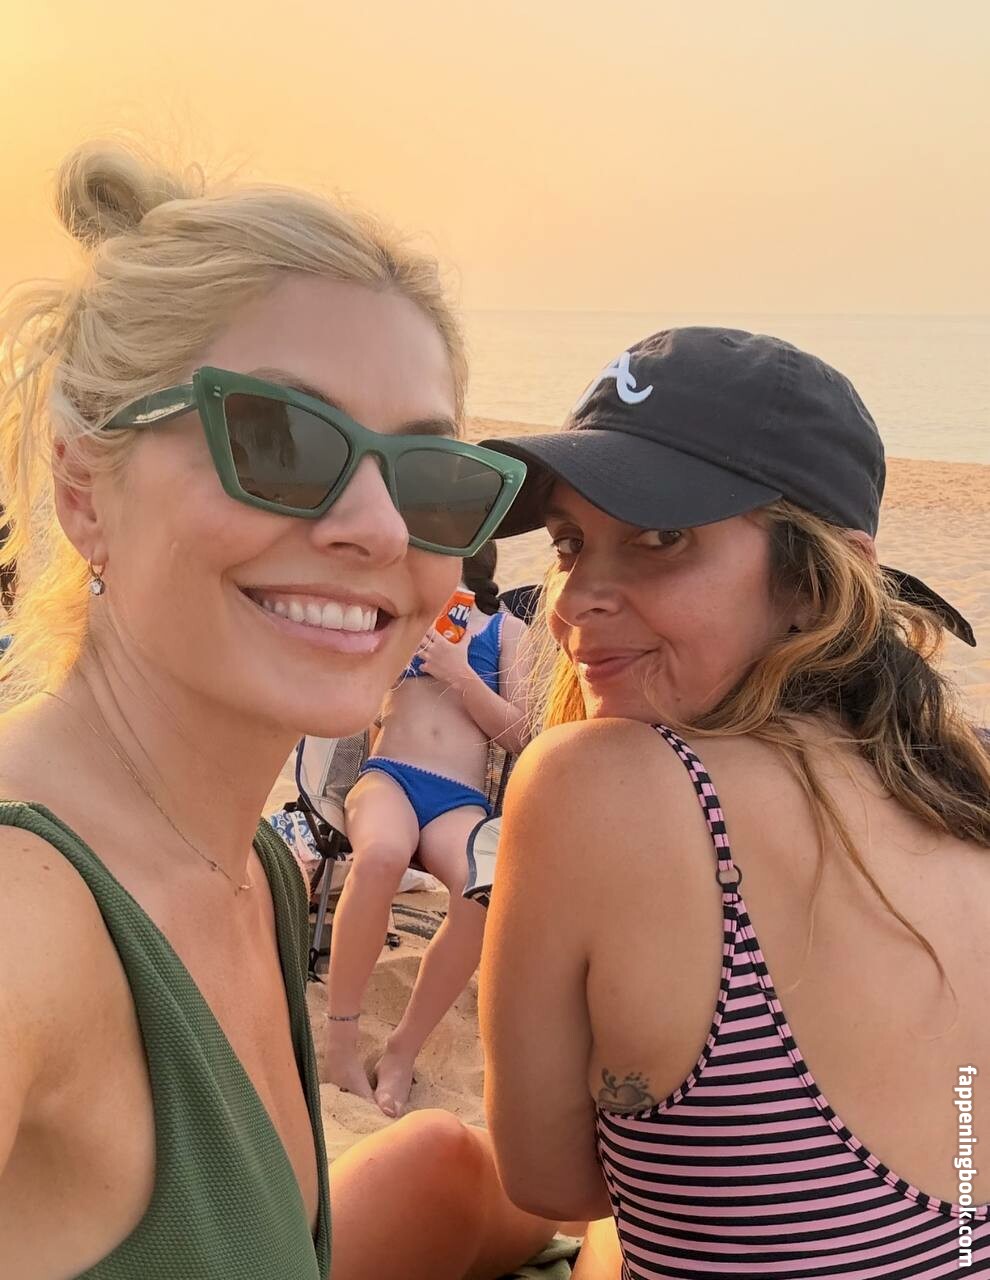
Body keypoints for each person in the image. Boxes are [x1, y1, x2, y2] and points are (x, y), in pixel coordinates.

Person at [0, 142, 552, 1280]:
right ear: (83, 489)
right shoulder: (24, 917)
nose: (382, 529)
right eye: (279, 442)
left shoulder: (253, 870)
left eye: (429, 474)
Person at [478, 328, 990, 1277]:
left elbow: (550, 1180)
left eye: (661, 539)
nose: (575, 601)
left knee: (429, 1176)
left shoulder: (603, 784)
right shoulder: (962, 796)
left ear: (815, 584)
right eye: (570, 543)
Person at [327, 538, 530, 1116]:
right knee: (381, 856)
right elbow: (346, 702)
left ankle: (403, 1049)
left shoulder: (505, 632)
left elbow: (522, 735)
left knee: (481, 889)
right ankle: (341, 1042)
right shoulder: (399, 620)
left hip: (458, 799)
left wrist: (461, 675)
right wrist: (384, 663)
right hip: (389, 776)